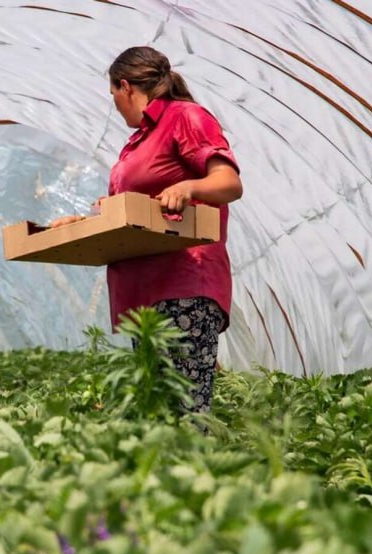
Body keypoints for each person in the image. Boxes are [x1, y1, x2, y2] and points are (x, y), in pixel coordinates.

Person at [54, 46, 243, 413]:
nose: (115, 105)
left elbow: (229, 182)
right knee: (157, 413)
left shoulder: (185, 117)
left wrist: (190, 188)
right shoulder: (137, 141)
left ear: (125, 87)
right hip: (147, 293)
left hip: (184, 283)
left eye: (113, 96)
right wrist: (86, 224)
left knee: (184, 413)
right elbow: (139, 214)